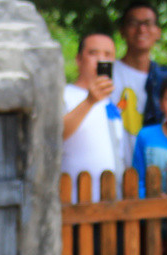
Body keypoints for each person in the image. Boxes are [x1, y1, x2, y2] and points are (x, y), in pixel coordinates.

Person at [111, 1, 167, 168]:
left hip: (155, 170)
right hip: (111, 170)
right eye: (133, 23)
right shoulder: (108, 74)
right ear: (122, 31)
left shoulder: (166, 78)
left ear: (158, 32)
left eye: (147, 23)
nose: (141, 29)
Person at [63, 32, 122, 201]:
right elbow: (56, 134)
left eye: (108, 55)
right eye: (93, 53)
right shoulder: (64, 95)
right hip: (74, 200)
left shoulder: (112, 101)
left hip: (111, 202)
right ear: (78, 59)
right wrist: (89, 101)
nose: (101, 60)